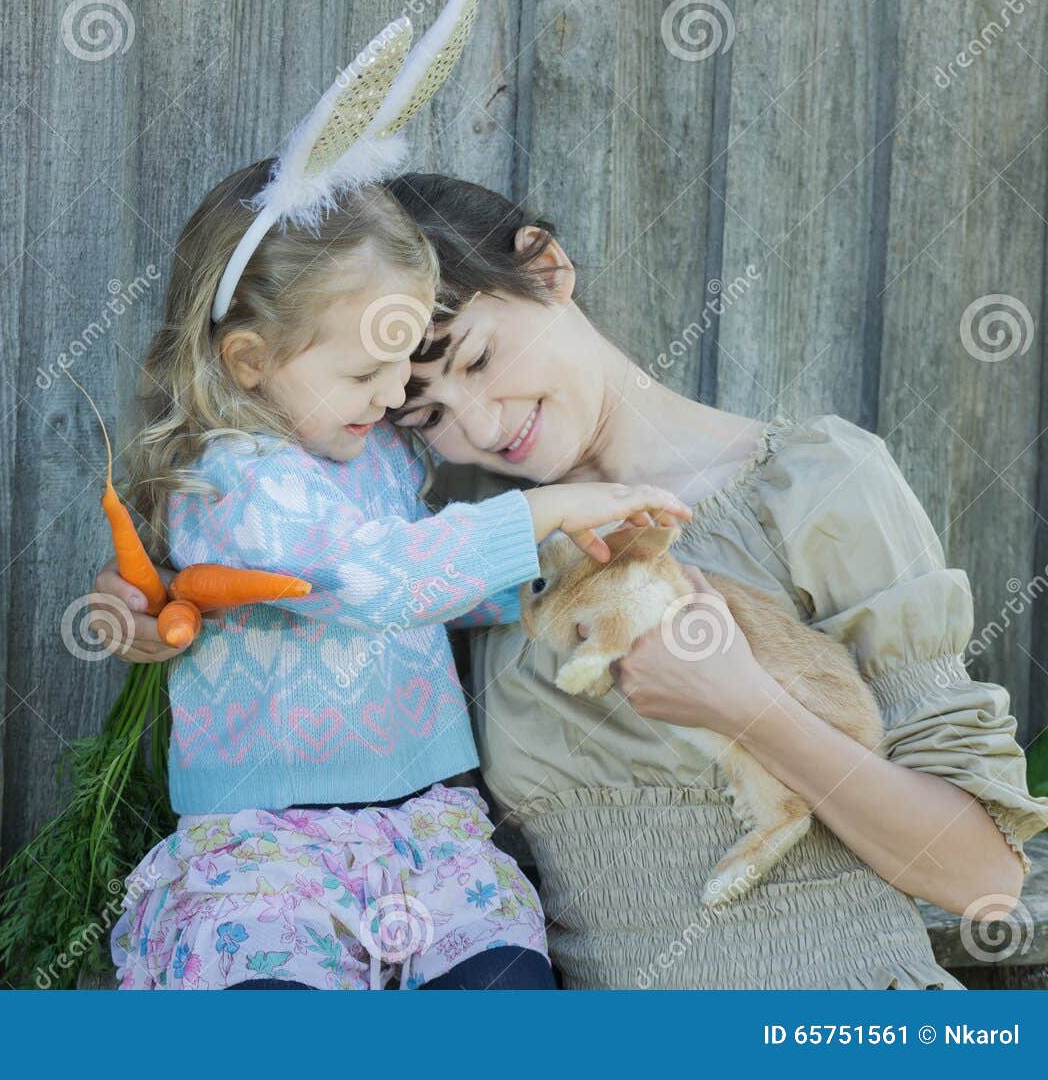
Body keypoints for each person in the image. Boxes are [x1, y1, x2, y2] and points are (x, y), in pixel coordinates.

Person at [96, 171, 1048, 988]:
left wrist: (748, 706)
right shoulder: (472, 540)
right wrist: (164, 601)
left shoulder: (814, 485)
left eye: (476, 357)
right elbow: (324, 578)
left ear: (547, 269)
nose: (477, 422)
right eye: (424, 414)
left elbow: (980, 878)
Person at [106, 161, 689, 990]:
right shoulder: (233, 481)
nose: (391, 396)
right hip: (271, 849)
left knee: (507, 983)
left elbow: (434, 588)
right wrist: (544, 514)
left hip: (430, 832)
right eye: (362, 372)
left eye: (401, 364)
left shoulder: (376, 452)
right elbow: (373, 578)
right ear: (249, 360)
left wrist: (562, 564)